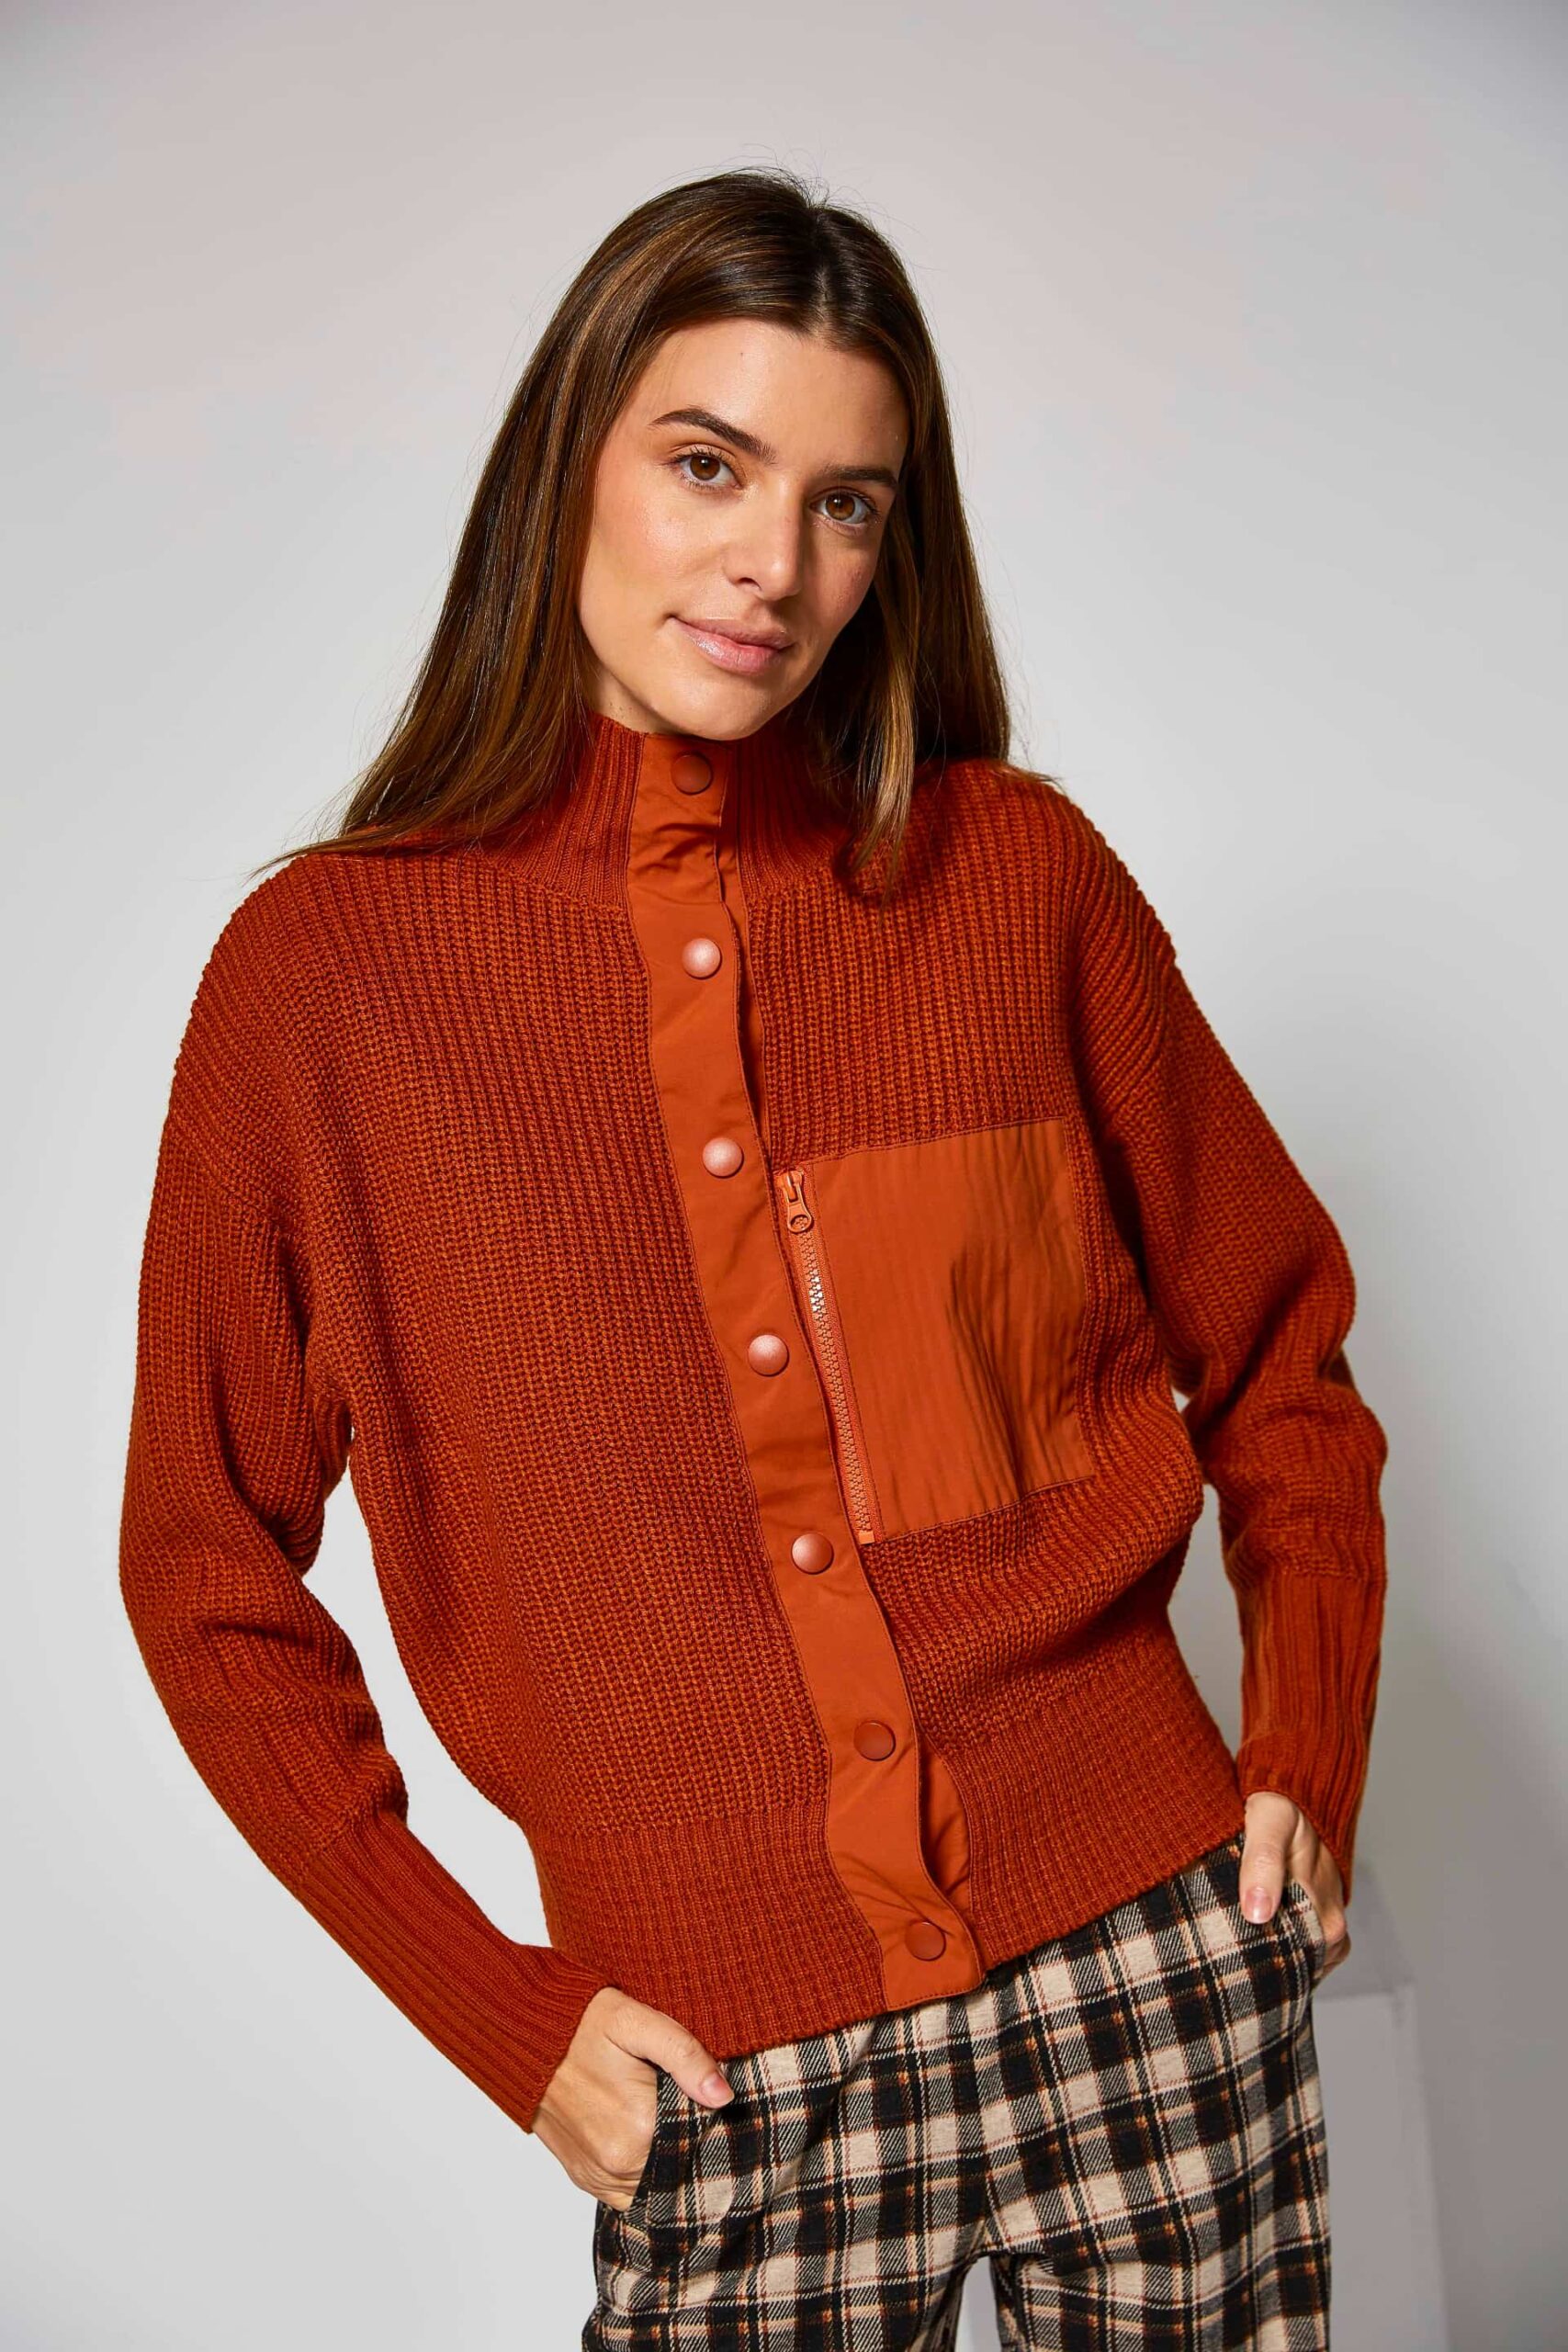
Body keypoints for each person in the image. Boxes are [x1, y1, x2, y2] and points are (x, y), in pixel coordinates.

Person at [118, 164, 1389, 2348]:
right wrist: (499, 2009)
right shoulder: (321, 983)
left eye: (844, 505)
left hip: (1151, 1963)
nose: (770, 564)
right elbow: (201, 1563)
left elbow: (1278, 1348)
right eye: (706, 466)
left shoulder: (1010, 878)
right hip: (726, 2068)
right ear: (568, 464)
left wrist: (1303, 1741)